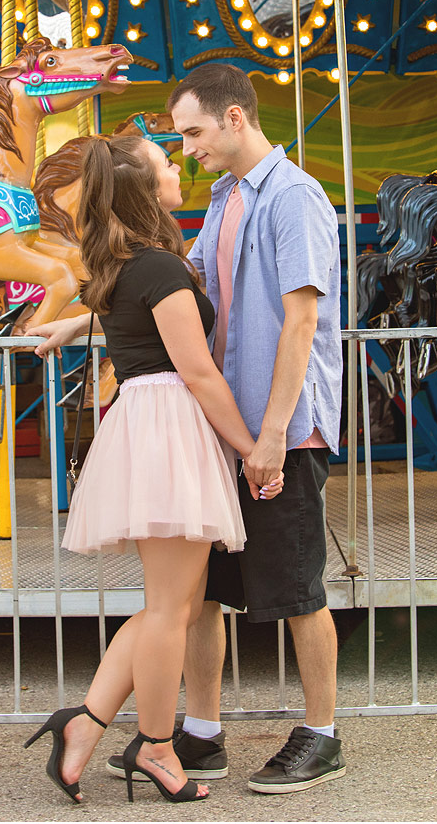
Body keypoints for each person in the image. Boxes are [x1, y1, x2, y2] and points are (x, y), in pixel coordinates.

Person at [110, 63, 346, 795]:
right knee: (206, 588)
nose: (186, 149)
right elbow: (184, 291)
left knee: (294, 586)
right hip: (222, 430)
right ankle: (203, 731)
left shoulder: (293, 198)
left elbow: (301, 319)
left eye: (193, 132)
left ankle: (321, 731)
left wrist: (272, 431)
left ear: (235, 119)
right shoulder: (224, 198)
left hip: (279, 429)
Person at [26, 135, 282, 806]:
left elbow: (132, 322)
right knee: (174, 609)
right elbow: (197, 370)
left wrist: (68, 327)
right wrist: (252, 448)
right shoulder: (159, 269)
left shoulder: (123, 266)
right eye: (166, 164)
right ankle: (159, 747)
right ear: (145, 190)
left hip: (146, 423)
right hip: (169, 423)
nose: (177, 169)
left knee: (172, 605)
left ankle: (82, 726)